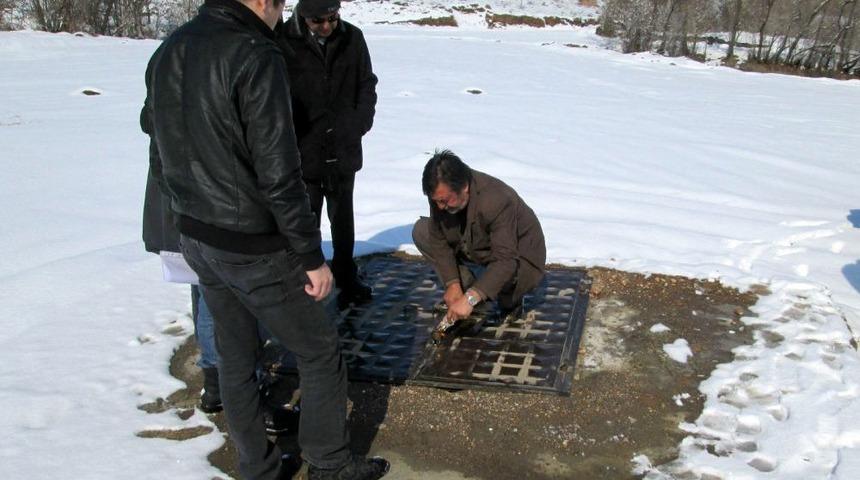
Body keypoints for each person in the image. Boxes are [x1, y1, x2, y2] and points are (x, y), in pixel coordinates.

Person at [141, 0, 388, 479]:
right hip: (250, 242)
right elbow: (279, 172)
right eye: (278, 5)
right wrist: (310, 255)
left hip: (195, 234)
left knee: (235, 360)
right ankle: (329, 463)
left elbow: (155, 133)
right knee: (318, 350)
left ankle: (258, 468)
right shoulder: (255, 54)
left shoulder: (172, 47)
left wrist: (182, 204)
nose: (281, 14)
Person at [277, 0, 378, 310]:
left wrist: (359, 122)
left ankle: (346, 275)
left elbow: (366, 84)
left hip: (344, 146)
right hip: (305, 150)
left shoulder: (353, 37)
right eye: (319, 21)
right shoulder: (283, 41)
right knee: (307, 220)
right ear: (303, 16)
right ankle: (308, 280)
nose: (327, 27)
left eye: (333, 19)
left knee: (343, 218)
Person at [412, 150, 546, 322]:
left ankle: (501, 296)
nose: (440, 207)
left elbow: (505, 261)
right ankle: (471, 290)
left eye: (444, 201)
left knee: (506, 271)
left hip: (519, 259)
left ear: (464, 187)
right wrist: (452, 284)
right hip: (479, 248)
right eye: (436, 201)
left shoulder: (497, 199)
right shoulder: (441, 195)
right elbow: (438, 241)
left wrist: (470, 298)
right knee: (422, 231)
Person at [141, 163, 222, 414]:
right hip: (199, 211)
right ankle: (216, 381)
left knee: (200, 288)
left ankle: (211, 367)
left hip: (181, 214)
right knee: (213, 295)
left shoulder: (166, 127)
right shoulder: (184, 129)